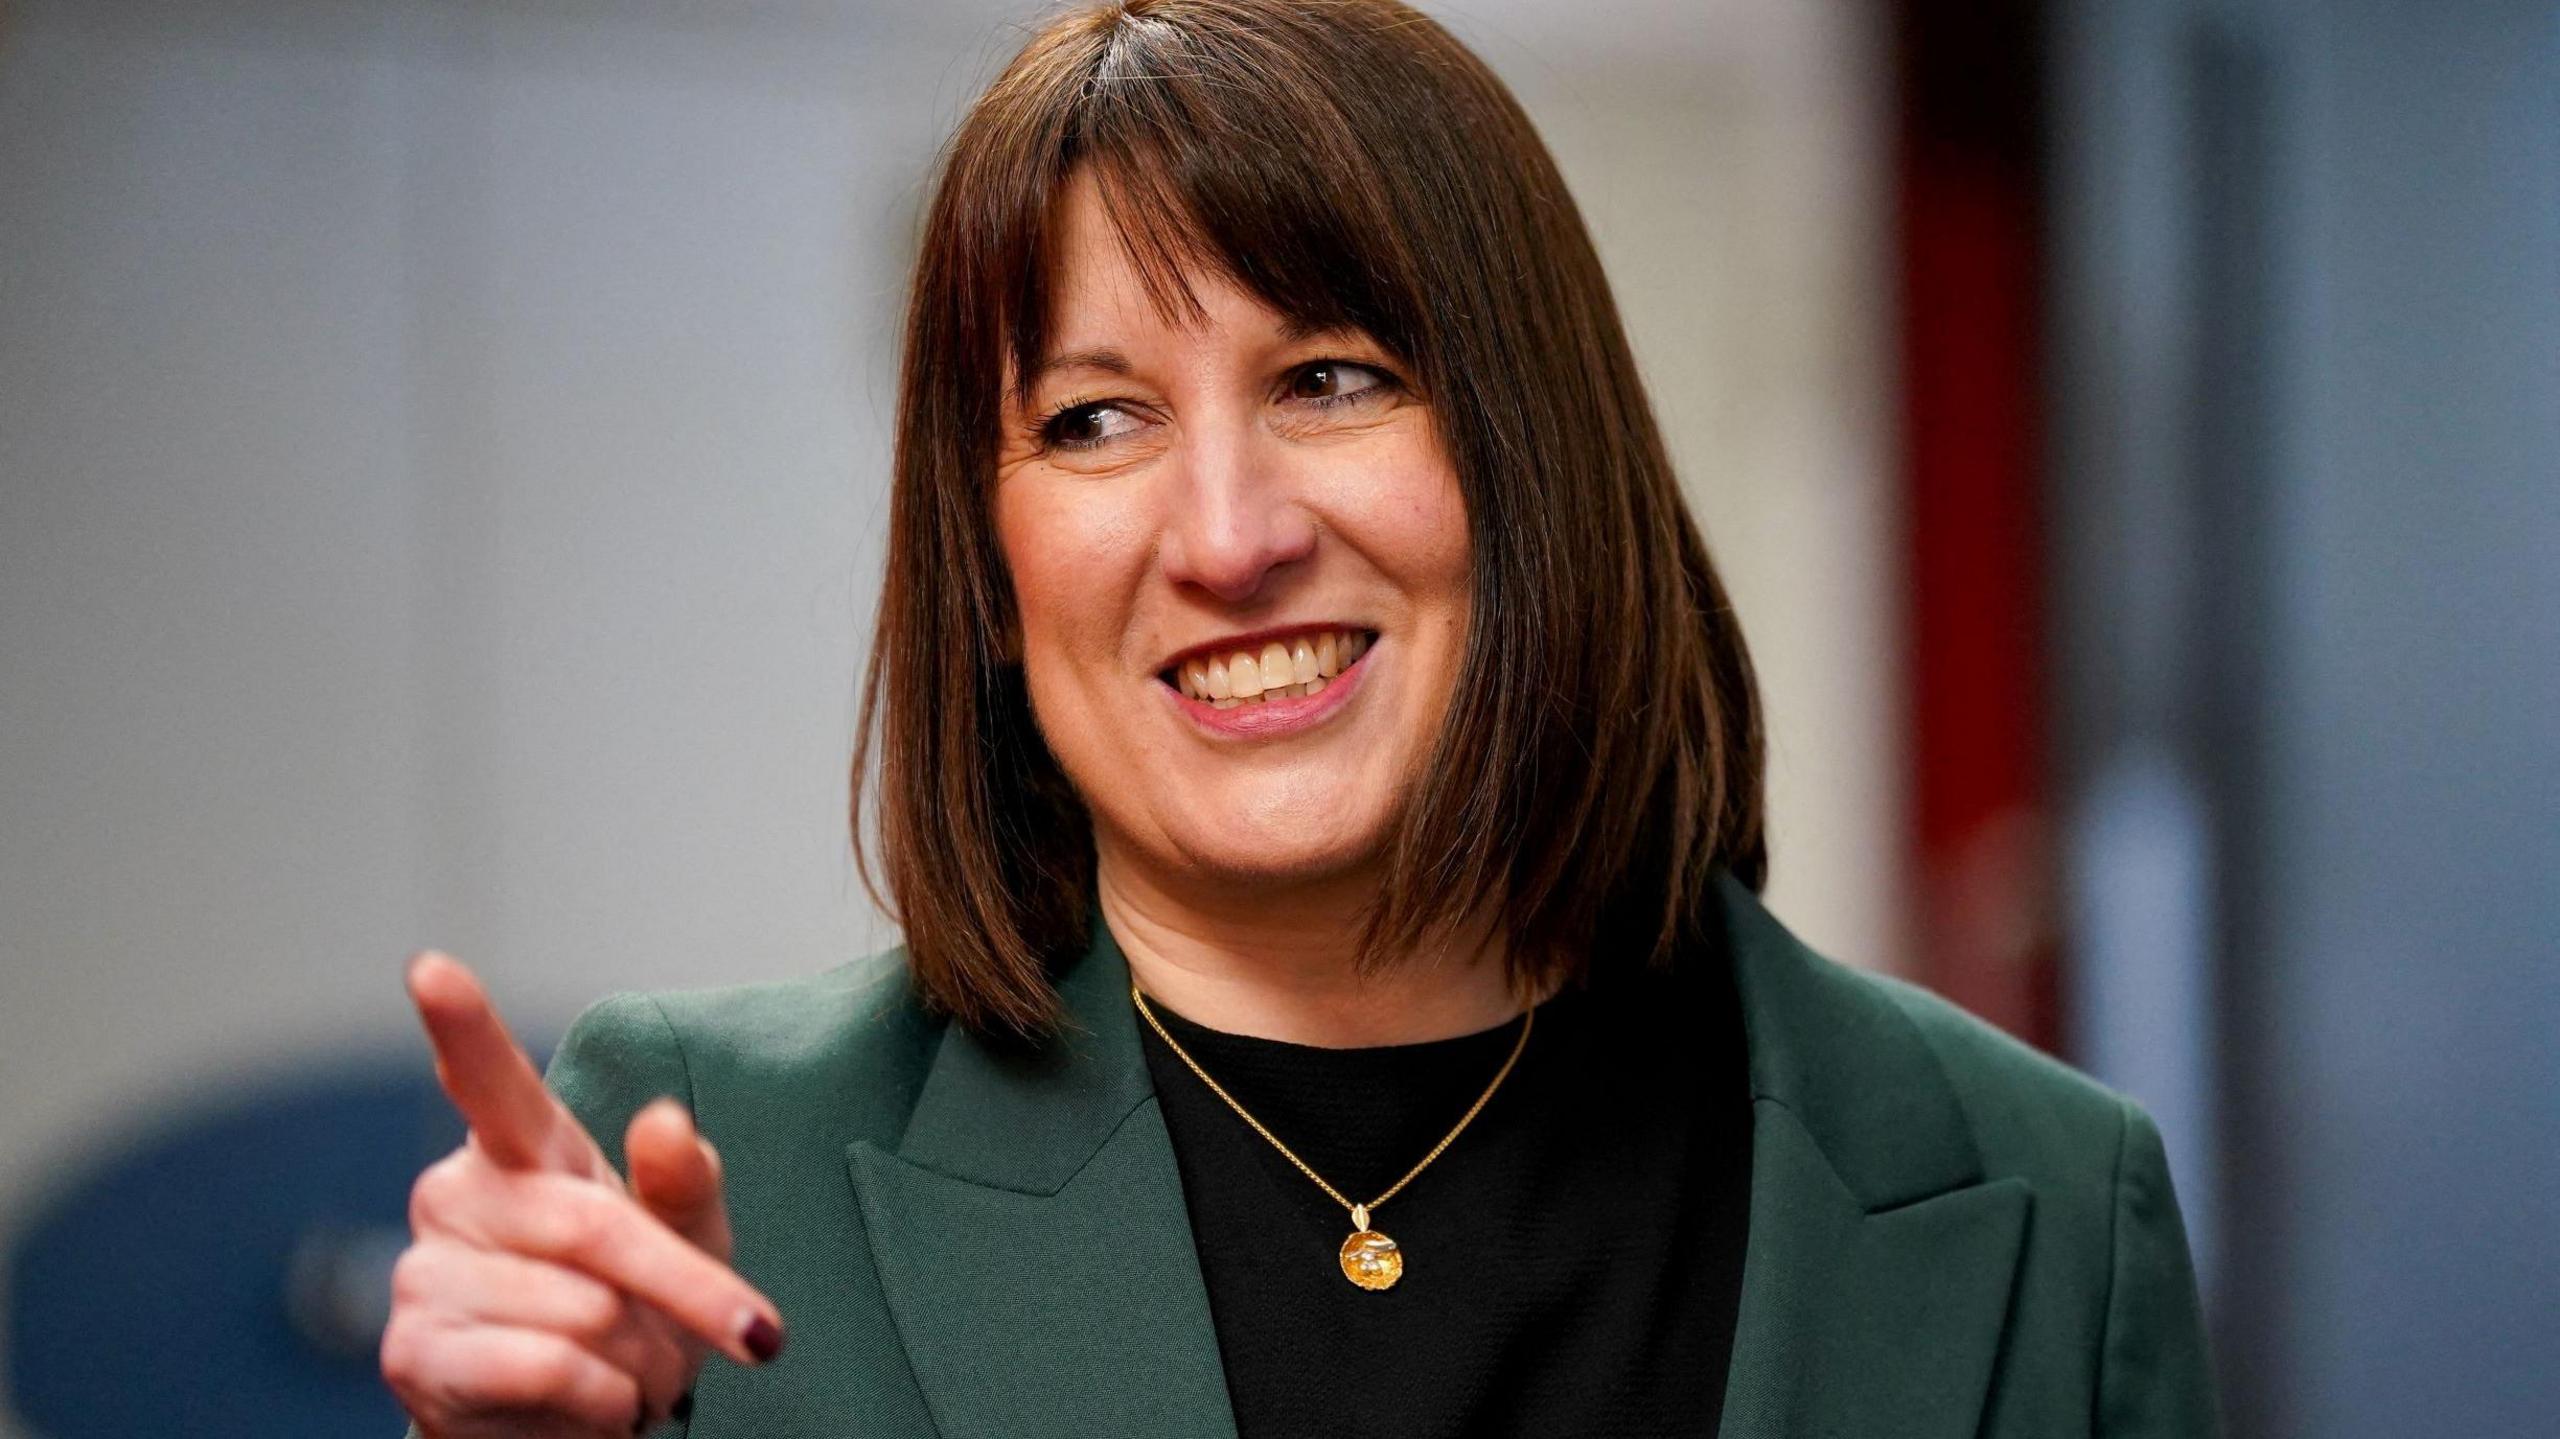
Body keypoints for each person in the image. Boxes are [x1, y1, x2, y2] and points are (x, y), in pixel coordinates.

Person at [382, 1, 2222, 1435]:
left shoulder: (2048, 1206)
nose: (1232, 536)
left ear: (1539, 461)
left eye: (1332, 379)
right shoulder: (713, 1170)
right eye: (1093, 418)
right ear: (990, 568)